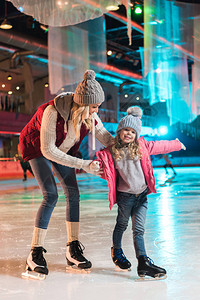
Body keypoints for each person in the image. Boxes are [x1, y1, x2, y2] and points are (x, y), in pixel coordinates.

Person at [19, 70, 113, 278]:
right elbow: (48, 151)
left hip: (62, 148)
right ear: (83, 104)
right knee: (50, 194)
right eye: (94, 107)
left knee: (73, 193)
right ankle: (34, 253)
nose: (96, 111)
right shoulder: (52, 112)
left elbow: (105, 137)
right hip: (38, 147)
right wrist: (84, 164)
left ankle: (73, 249)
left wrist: (126, 148)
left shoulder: (90, 115)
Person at [95, 106, 186, 279]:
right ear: (120, 131)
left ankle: (143, 262)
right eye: (125, 130)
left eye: (132, 131)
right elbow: (104, 163)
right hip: (125, 197)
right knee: (121, 225)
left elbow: (160, 145)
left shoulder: (143, 146)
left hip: (141, 196)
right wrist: (95, 165)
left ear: (137, 134)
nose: (129, 134)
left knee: (139, 230)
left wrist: (176, 144)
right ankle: (117, 251)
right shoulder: (113, 149)